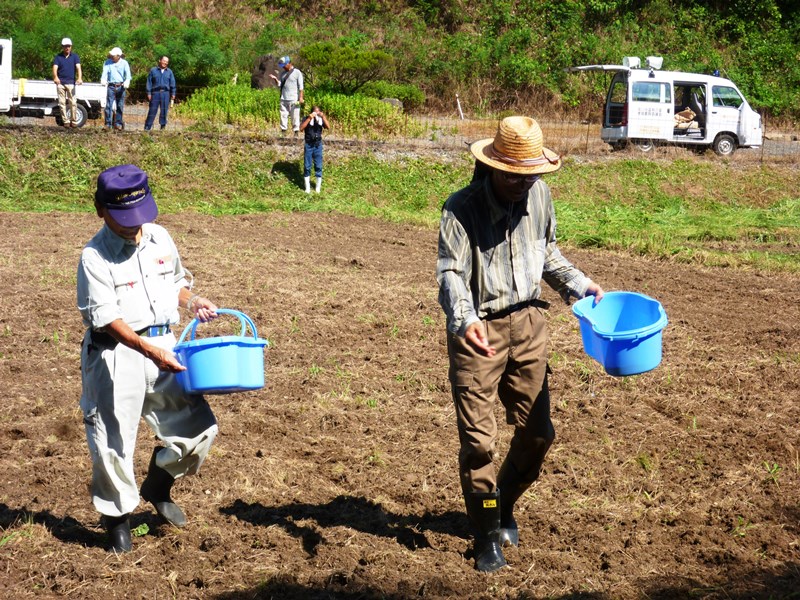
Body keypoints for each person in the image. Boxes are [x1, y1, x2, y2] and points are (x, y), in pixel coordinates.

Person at [436, 116, 605, 572]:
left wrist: (580, 284)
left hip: (530, 325)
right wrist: (465, 318)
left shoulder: (540, 196)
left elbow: (546, 252)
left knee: (537, 434)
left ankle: (502, 502)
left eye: (530, 174)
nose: (523, 182)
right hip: (480, 334)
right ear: (493, 167)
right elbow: (451, 273)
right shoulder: (461, 209)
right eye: (514, 173)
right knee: (479, 444)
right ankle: (485, 532)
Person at [77, 164, 220, 553]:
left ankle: (158, 484)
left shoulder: (159, 238)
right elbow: (106, 319)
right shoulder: (94, 257)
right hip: (116, 354)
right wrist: (147, 350)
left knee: (198, 430)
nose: (133, 226)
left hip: (165, 346)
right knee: (112, 441)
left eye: (139, 217)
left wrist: (193, 301)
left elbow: (174, 283)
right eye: (123, 218)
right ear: (100, 210)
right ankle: (117, 521)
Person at [52, 37, 83, 128]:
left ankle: (74, 121)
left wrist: (79, 78)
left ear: (71, 47)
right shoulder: (58, 57)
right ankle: (65, 121)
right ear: (62, 47)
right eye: (65, 46)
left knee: (73, 103)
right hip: (61, 83)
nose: (67, 48)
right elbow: (54, 68)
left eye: (69, 46)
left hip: (71, 83)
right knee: (62, 103)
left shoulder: (75, 57)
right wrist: (55, 77)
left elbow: (78, 68)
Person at [268, 56, 304, 135]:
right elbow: (280, 84)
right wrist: (275, 79)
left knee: (295, 116)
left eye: (284, 65)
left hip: (293, 98)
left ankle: (296, 132)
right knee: (283, 115)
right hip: (283, 98)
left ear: (289, 63)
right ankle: (283, 131)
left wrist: (301, 97)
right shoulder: (282, 73)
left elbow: (301, 87)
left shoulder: (297, 72)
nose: (283, 67)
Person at [299, 105, 330, 193]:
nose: (316, 114)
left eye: (318, 112)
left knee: (318, 166)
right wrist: (309, 118)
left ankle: (317, 188)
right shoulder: (306, 118)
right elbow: (301, 128)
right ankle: (307, 188)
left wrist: (323, 116)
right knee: (307, 166)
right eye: (314, 112)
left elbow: (328, 127)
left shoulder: (321, 120)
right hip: (308, 144)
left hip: (318, 145)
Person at [100, 47, 131, 130]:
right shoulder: (107, 62)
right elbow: (104, 72)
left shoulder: (124, 63)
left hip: (121, 86)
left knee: (120, 106)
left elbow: (128, 75)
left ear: (118, 56)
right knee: (108, 106)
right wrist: (103, 79)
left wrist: (127, 81)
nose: (112, 56)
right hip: (111, 86)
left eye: (114, 55)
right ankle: (108, 124)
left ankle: (118, 123)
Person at [144, 55, 177, 131]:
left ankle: (162, 128)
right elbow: (149, 82)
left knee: (164, 111)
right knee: (152, 111)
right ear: (160, 60)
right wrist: (149, 93)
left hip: (166, 94)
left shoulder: (169, 72)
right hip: (155, 93)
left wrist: (173, 93)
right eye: (164, 61)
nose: (165, 63)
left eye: (167, 62)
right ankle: (147, 128)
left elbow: (172, 83)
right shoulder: (153, 70)